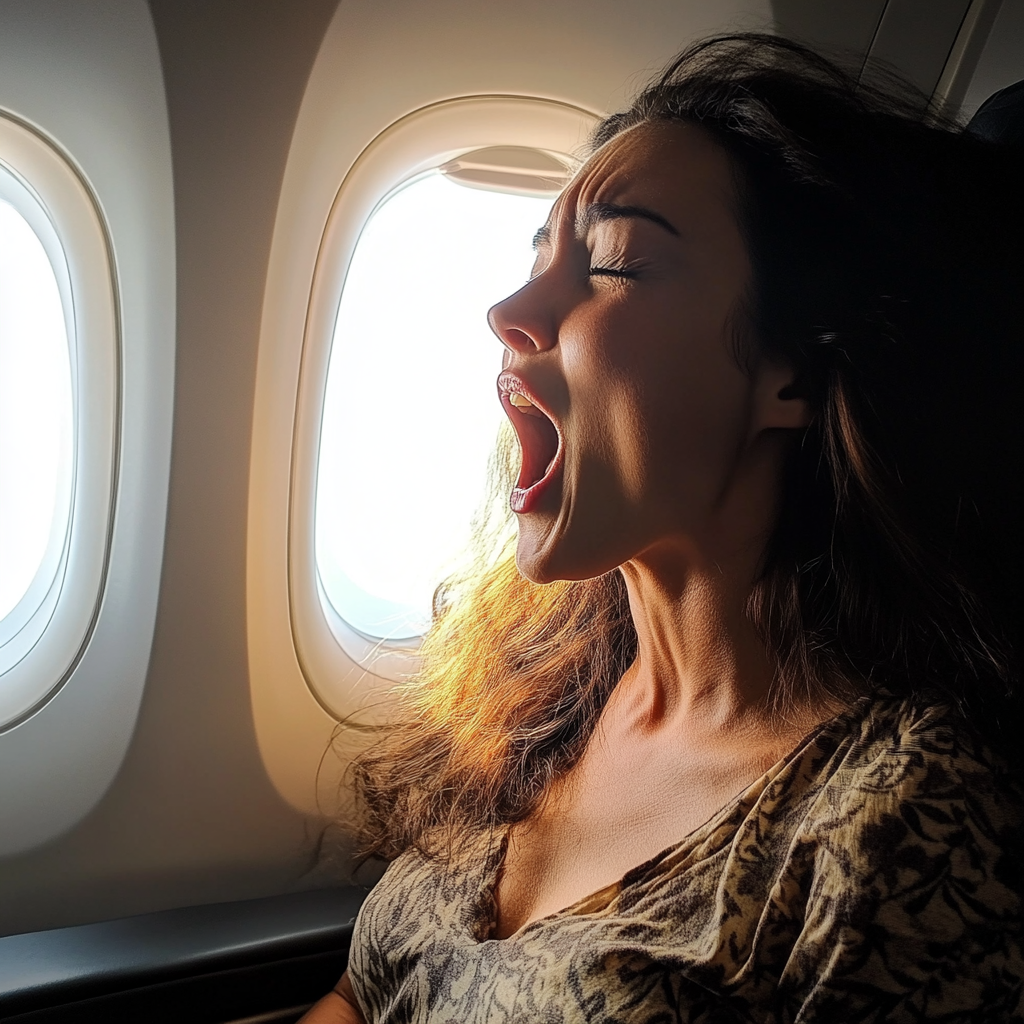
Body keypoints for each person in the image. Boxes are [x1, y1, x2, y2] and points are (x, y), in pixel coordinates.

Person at [301, 34, 1024, 1023]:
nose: (511, 309)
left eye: (615, 262)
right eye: (534, 258)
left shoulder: (900, 827)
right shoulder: (543, 708)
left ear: (793, 374)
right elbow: (360, 993)